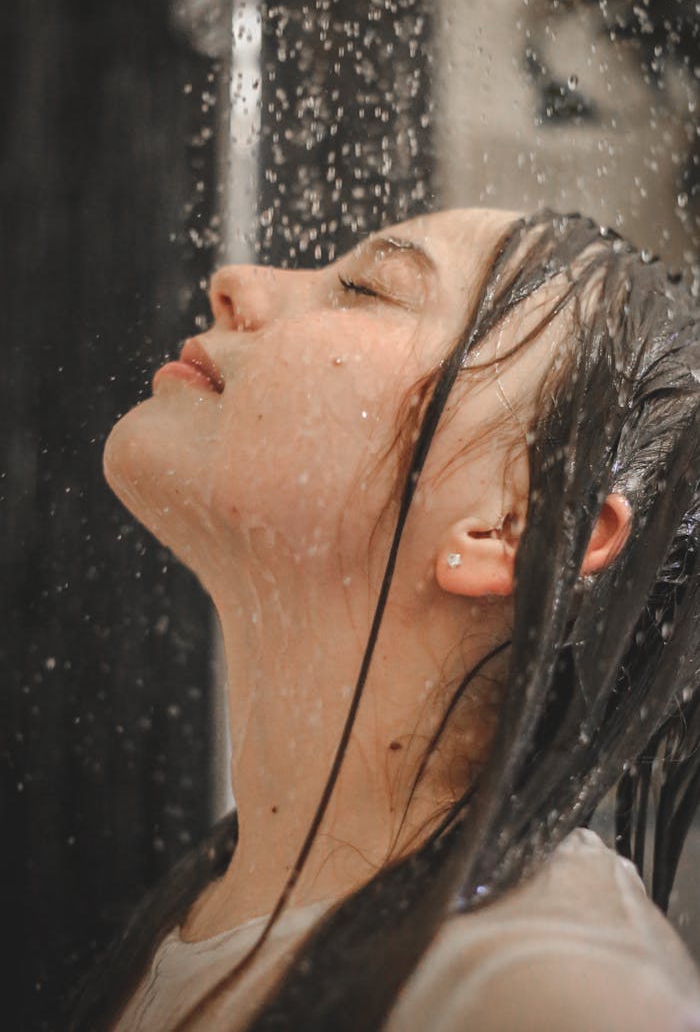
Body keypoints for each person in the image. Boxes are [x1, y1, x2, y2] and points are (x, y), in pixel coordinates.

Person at [71, 208, 700, 1030]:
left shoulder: (553, 996)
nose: (234, 286)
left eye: (367, 288)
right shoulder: (215, 905)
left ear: (516, 523)